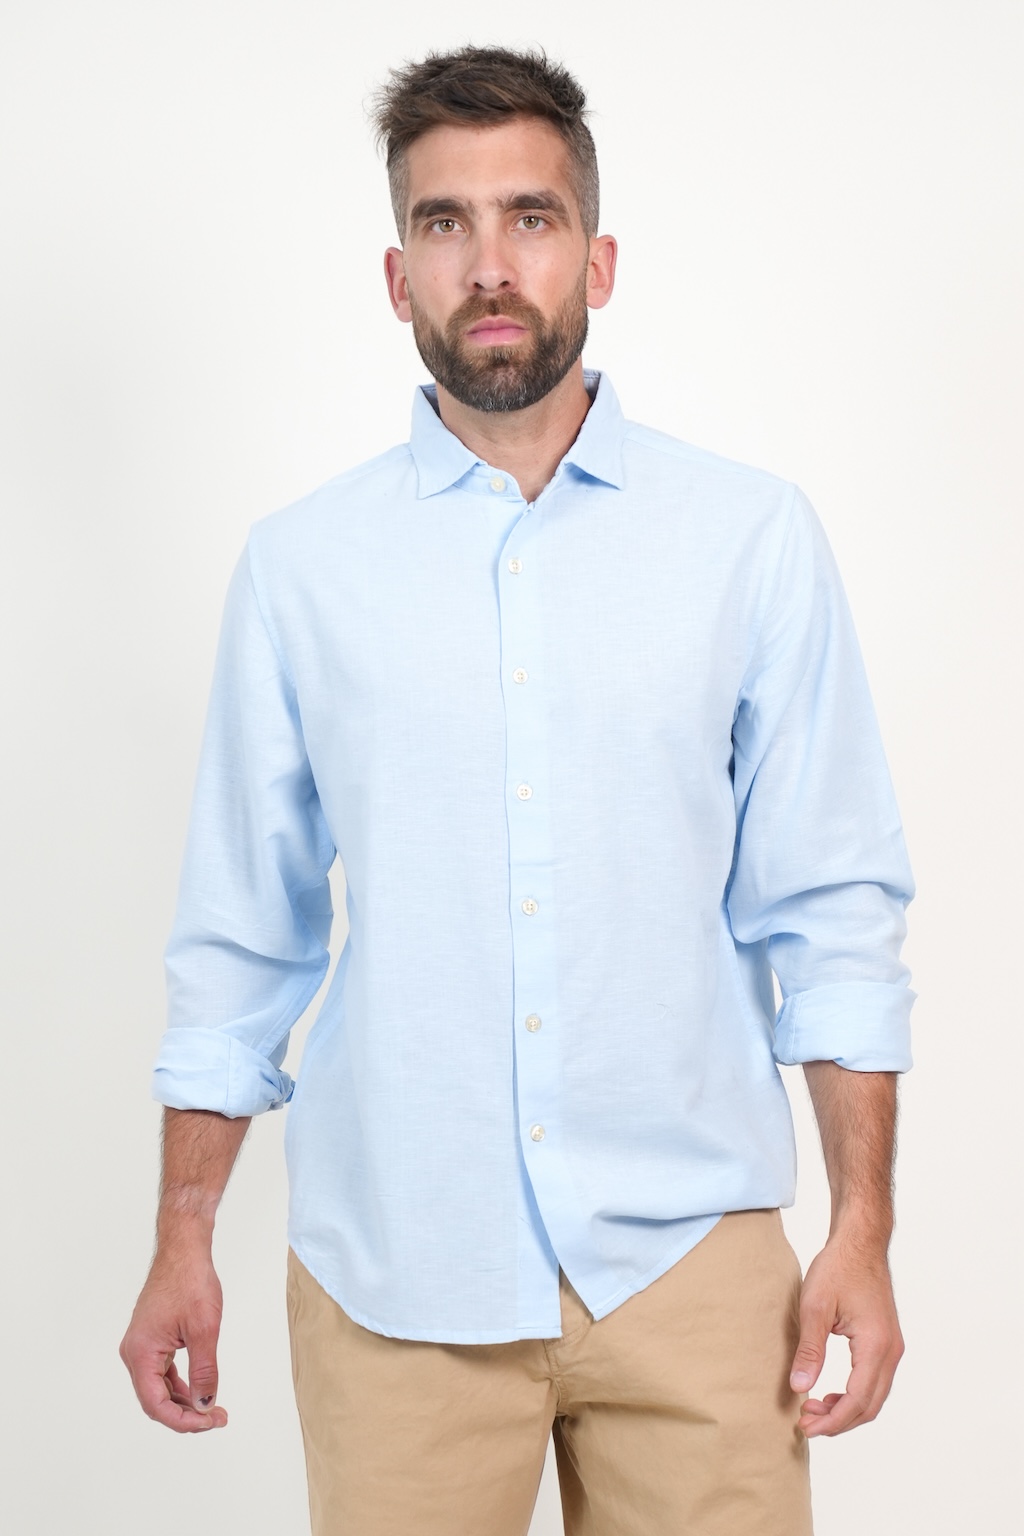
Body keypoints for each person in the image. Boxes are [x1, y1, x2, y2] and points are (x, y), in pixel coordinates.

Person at [120, 44, 915, 1536]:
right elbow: (241, 939)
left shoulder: (749, 539)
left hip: (693, 1269)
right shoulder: (301, 571)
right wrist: (182, 1237)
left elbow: (832, 911)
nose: (490, 265)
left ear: (596, 260)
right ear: (396, 276)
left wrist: (862, 1229)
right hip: (394, 1274)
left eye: (530, 218)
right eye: (446, 223)